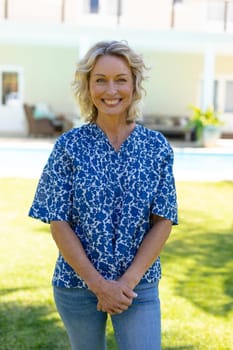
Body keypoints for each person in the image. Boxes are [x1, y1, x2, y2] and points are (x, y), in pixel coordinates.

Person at [29, 40, 178, 350]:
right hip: (77, 286)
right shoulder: (68, 147)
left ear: (135, 85)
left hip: (138, 287)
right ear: (88, 86)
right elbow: (58, 220)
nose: (111, 90)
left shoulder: (157, 147)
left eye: (120, 79)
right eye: (100, 80)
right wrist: (98, 285)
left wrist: (126, 283)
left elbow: (164, 219)